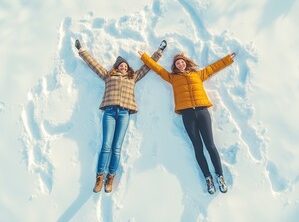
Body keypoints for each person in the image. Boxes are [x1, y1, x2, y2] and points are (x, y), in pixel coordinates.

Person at [138, 49, 236, 194]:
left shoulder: (198, 74)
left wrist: (228, 59)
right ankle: (208, 178)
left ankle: (220, 176)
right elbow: (158, 69)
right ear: (175, 66)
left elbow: (213, 68)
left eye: (182, 62)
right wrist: (145, 57)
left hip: (202, 112)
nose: (180, 64)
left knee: (210, 145)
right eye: (177, 63)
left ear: (186, 63)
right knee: (198, 147)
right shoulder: (172, 78)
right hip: (187, 114)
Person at [75, 39, 167, 193]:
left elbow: (148, 66)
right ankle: (99, 177)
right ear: (116, 68)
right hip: (109, 112)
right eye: (120, 65)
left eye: (125, 65)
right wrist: (82, 50)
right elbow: (94, 65)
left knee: (116, 147)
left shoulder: (133, 77)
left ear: (128, 68)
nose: (123, 67)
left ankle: (111, 177)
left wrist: (159, 52)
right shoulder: (108, 76)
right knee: (106, 146)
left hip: (124, 113)